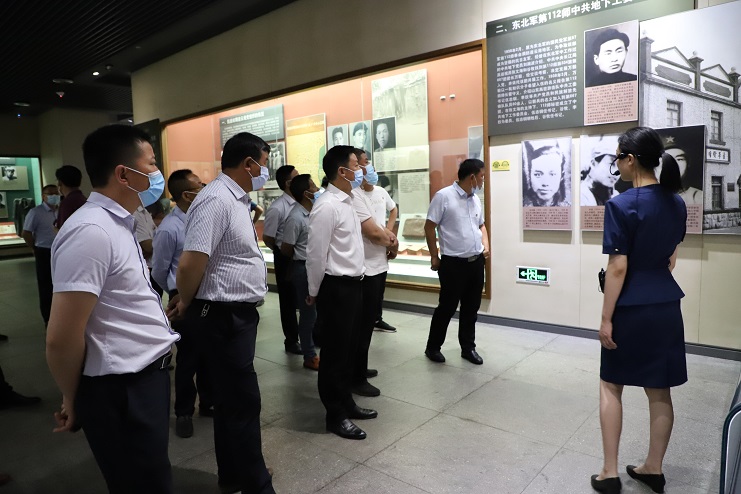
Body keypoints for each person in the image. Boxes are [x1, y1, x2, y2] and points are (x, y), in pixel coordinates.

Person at [46, 124, 179, 493]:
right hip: (121, 387)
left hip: (142, 379)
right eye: (151, 164)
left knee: (151, 475)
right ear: (124, 174)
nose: (158, 173)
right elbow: (61, 338)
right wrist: (73, 396)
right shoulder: (91, 231)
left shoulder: (118, 222)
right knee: (141, 483)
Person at [169, 131, 274, 494]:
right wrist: (187, 301)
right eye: (264, 163)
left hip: (233, 314)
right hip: (221, 315)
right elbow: (190, 263)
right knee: (243, 402)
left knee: (231, 402)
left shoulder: (235, 199)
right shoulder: (215, 199)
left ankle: (231, 476)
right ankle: (257, 485)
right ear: (248, 163)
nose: (265, 170)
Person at [591, 127, 687, 494]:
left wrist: (605, 319)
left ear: (630, 160)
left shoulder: (621, 204)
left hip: (630, 307)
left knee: (610, 385)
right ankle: (653, 469)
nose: (616, 164)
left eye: (618, 158)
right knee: (659, 391)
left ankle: (610, 473)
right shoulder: (676, 203)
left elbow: (618, 268)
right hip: (666, 305)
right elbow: (671, 260)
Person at [306, 145, 378, 440]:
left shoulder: (348, 200)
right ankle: (335, 415)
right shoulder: (326, 206)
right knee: (335, 354)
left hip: (354, 284)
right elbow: (316, 254)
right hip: (336, 288)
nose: (362, 170)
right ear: (342, 171)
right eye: (356, 165)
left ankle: (347, 403)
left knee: (348, 349)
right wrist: (313, 291)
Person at [151, 169, 212, 439]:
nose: (205, 187)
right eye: (200, 185)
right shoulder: (169, 228)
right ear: (187, 195)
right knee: (188, 358)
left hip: (208, 296)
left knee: (209, 354)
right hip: (184, 298)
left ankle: (208, 402)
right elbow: (158, 270)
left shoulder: (204, 218)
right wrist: (176, 293)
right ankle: (184, 411)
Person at [423, 159, 489, 366]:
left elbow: (481, 225)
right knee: (447, 307)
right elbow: (429, 227)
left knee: (471, 308)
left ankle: (468, 348)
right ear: (472, 177)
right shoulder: (443, 196)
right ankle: (433, 347)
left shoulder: (475, 198)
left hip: (476, 262)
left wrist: (486, 244)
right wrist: (434, 256)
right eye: (482, 176)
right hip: (453, 264)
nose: (483, 180)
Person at [350, 149, 398, 397]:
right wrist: (392, 242)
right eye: (363, 164)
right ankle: (355, 376)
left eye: (368, 163)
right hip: (364, 267)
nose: (368, 168)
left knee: (368, 322)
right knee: (362, 325)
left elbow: (389, 216)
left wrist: (389, 235)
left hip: (379, 263)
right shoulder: (354, 196)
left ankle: (360, 368)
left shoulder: (378, 192)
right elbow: (373, 233)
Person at [280, 174, 321, 371]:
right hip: (303, 268)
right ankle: (309, 355)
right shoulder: (295, 217)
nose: (318, 188)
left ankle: (316, 345)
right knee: (308, 313)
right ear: (306, 193)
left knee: (319, 312)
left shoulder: (317, 211)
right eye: (314, 186)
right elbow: (286, 248)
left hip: (318, 265)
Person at [263, 165, 301, 354]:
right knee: (287, 301)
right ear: (288, 183)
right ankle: (292, 340)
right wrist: (281, 252)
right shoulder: (277, 208)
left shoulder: (302, 203)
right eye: (297, 177)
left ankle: (311, 336)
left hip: (302, 256)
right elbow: (268, 238)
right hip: (285, 257)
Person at [21, 184, 60, 325]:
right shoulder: (35, 212)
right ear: (43, 196)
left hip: (60, 252)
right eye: (50, 194)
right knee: (45, 287)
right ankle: (48, 320)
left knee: (59, 285)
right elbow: (26, 233)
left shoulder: (60, 211)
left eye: (56, 193)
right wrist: (34, 248)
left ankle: (60, 317)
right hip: (44, 251)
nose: (54, 196)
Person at [522, 140, 570, 207]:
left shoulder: (567, 206)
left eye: (552, 174)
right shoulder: (522, 205)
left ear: (561, 176)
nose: (545, 183)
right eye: (538, 174)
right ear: (530, 175)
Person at [133, 203, 164, 297]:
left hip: (153, 266)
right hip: (145, 269)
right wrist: (165, 242)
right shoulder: (135, 214)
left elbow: (153, 242)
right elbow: (148, 246)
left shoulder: (144, 212)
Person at [581, 135, 620, 206]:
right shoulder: (582, 195)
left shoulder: (616, 197)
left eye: (620, 166)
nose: (616, 171)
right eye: (611, 163)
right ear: (593, 164)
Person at [54, 165, 86, 230]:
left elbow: (63, 231)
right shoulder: (83, 199)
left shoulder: (67, 203)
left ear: (59, 182)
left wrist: (56, 229)